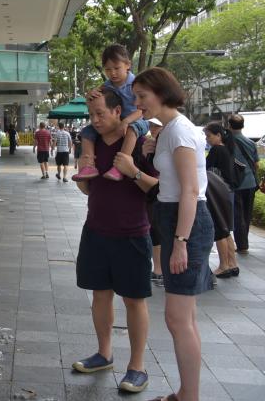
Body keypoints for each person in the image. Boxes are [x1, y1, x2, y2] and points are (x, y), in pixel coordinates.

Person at [125, 67, 214, 401]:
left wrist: (180, 243)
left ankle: (188, 396)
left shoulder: (180, 132)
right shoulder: (170, 130)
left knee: (178, 319)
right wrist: (153, 150)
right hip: (176, 218)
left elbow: (191, 192)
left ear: (161, 94)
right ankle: (186, 393)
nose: (138, 103)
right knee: (184, 318)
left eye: (142, 96)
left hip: (185, 222)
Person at [71, 87, 156, 394]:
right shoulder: (90, 144)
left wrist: (132, 171)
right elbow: (88, 191)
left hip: (132, 233)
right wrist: (84, 173)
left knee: (134, 300)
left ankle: (137, 367)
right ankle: (104, 353)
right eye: (91, 115)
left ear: (118, 111)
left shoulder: (140, 143)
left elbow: (156, 188)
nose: (95, 120)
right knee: (100, 294)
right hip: (95, 230)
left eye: (101, 114)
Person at [76, 45, 149, 182]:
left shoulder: (136, 84)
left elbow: (141, 109)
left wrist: (126, 121)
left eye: (116, 68)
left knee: (132, 130)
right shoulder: (107, 85)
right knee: (87, 132)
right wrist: (89, 95)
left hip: (137, 120)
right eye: (108, 69)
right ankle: (89, 164)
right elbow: (93, 99)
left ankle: (120, 166)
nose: (112, 73)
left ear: (127, 65)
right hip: (116, 123)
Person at [203, 123, 238, 278]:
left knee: (219, 229)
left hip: (217, 193)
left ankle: (223, 265)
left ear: (218, 135)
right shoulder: (227, 149)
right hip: (227, 192)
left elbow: (204, 168)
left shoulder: (217, 150)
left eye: (209, 136)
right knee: (226, 230)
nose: (207, 139)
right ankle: (232, 264)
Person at [227, 114, 260, 255]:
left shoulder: (227, 142)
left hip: (236, 184)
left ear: (229, 125)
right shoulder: (251, 143)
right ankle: (243, 242)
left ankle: (242, 244)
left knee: (238, 215)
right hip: (251, 183)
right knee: (247, 213)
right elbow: (257, 165)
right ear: (243, 126)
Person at [145, 118, 164, 288]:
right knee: (155, 231)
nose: (153, 129)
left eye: (156, 126)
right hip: (153, 195)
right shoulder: (150, 143)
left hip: (161, 194)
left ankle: (159, 270)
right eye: (151, 126)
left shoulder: (166, 143)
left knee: (157, 232)